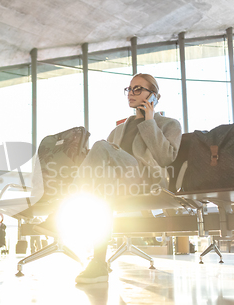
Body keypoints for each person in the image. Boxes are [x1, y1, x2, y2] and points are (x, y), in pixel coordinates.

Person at [34, 73, 182, 284]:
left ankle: (60, 213)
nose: (131, 93)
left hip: (145, 182)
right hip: (118, 184)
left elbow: (165, 157)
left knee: (101, 145)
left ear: (154, 96)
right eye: (129, 89)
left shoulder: (169, 124)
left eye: (138, 89)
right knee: (99, 195)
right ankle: (98, 264)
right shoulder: (119, 130)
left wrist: (149, 122)